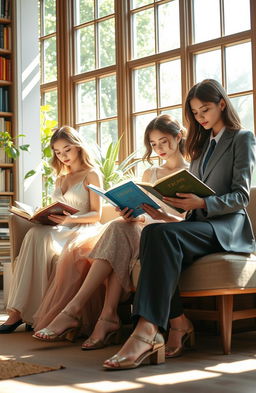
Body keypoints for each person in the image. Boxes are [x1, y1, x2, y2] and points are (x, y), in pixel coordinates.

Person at [102, 79, 256, 370]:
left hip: (227, 229)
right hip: (198, 224)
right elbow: (191, 202)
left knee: (159, 236)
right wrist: (165, 213)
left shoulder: (242, 137)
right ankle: (168, 326)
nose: (201, 117)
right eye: (196, 113)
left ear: (222, 104)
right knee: (154, 231)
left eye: (206, 109)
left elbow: (241, 195)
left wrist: (201, 204)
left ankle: (148, 332)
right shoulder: (200, 147)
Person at [32, 114, 189, 345]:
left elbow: (192, 221)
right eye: (153, 144)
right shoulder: (150, 173)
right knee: (119, 225)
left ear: (179, 137)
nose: (159, 149)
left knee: (117, 236)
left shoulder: (193, 170)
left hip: (170, 233)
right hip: (144, 228)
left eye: (163, 142)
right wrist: (131, 214)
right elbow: (144, 214)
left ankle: (82, 313)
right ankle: (102, 318)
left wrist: (164, 217)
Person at [0, 125, 103, 333]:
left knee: (40, 236)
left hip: (84, 230)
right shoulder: (60, 177)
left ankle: (21, 313)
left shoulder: (92, 174)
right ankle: (20, 311)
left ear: (78, 148)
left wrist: (70, 220)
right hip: (61, 229)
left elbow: (97, 214)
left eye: (67, 149)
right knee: (35, 232)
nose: (63, 155)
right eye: (57, 152)